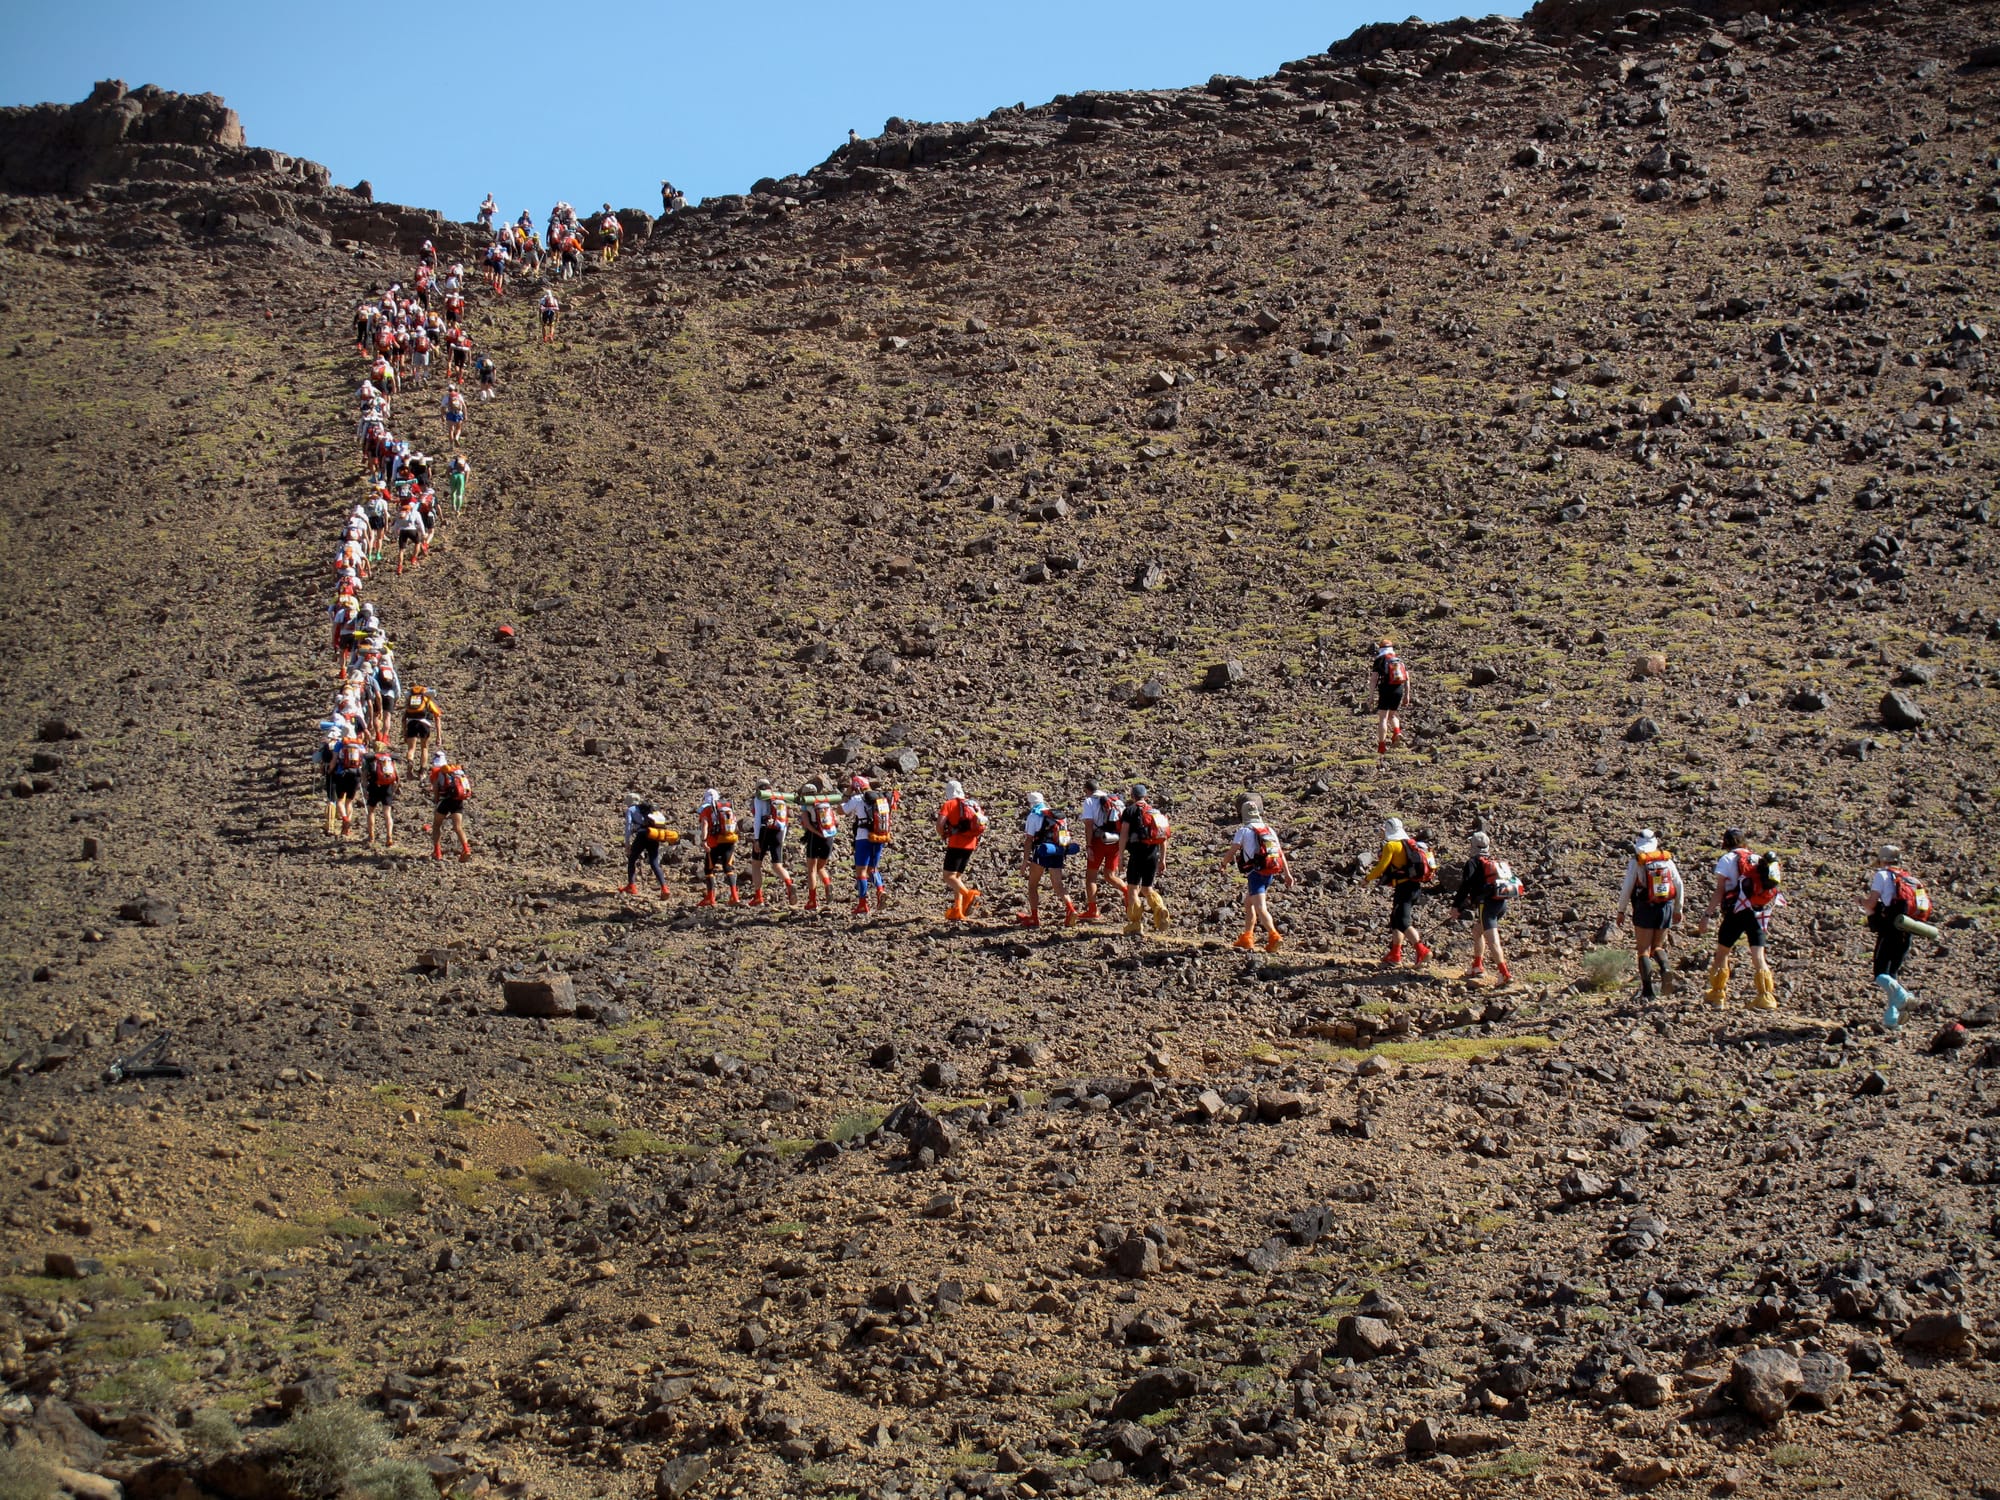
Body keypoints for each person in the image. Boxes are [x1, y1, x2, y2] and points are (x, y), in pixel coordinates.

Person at [1694, 827, 1782, 1010]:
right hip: (1758, 911)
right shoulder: (1757, 859)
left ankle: (1718, 995)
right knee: (1758, 955)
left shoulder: (1727, 859)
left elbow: (1720, 890)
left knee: (1722, 952)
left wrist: (1707, 914)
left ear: (1725, 843)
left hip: (1736, 911)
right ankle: (1766, 997)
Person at [1857, 844, 1931, 1029]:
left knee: (1880, 974)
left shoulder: (1882, 876)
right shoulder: (1909, 879)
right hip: (1907, 928)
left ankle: (1904, 997)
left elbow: (1871, 904)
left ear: (1882, 860)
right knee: (1892, 974)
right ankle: (1892, 1021)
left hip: (1889, 928)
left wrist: (1859, 901)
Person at [1615, 829, 1682, 1001]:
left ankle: (1648, 991)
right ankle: (1665, 968)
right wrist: (1677, 909)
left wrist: (1621, 910)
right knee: (1657, 947)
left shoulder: (1637, 862)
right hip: (1665, 907)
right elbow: (1679, 884)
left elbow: (1627, 888)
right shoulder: (1666, 860)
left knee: (1643, 950)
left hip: (1645, 907)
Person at [1223, 795, 1293, 951]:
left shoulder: (1244, 830)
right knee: (1249, 903)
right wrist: (1287, 874)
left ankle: (1274, 936)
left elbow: (1233, 850)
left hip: (1256, 873)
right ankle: (1247, 937)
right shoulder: (1269, 830)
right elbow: (1280, 853)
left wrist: (1223, 863)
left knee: (1260, 907)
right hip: (1270, 873)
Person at [1450, 830, 1518, 983]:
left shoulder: (1472, 863)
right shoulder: (1493, 862)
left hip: (1486, 906)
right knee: (1477, 930)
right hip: (1501, 904)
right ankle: (1477, 966)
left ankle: (1505, 974)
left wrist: (1456, 906)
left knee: (1493, 940)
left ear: (1473, 846)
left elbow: (1465, 886)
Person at [1364, 816, 1433, 966]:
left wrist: (1367, 879)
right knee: (1395, 920)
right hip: (1415, 886)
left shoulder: (1391, 846)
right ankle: (1395, 954)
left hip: (1404, 887)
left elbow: (1381, 866)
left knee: (1403, 921)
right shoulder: (1410, 843)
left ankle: (1422, 950)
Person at [1117, 783, 1173, 935]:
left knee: (1133, 889)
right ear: (1146, 797)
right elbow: (1163, 837)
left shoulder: (1129, 811)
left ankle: (1135, 924)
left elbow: (1123, 835)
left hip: (1137, 854)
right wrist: (1163, 859)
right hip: (1153, 854)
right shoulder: (1155, 812)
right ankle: (1160, 908)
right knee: (1147, 888)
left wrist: (1120, 856)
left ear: (1132, 796)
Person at [1018, 794, 1079, 928]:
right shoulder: (1057, 815)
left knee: (1032, 885)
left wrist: (1024, 862)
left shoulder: (1034, 816)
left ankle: (1034, 917)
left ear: (1030, 803)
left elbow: (1029, 840)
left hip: (1042, 852)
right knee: (1058, 885)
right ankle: (1071, 909)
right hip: (1057, 851)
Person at [841, 775, 893, 915]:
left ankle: (863, 904)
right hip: (880, 836)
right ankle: (880, 891)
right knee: (873, 869)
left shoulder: (858, 799)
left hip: (863, 838)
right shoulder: (881, 799)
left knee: (861, 872)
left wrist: (847, 793)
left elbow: (841, 811)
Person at [935, 779, 986, 920]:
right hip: (971, 844)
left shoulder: (949, 804)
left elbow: (940, 824)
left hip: (956, 843)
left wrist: (942, 834)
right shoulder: (972, 804)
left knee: (948, 876)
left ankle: (969, 895)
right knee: (957, 877)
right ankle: (958, 910)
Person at [1079, 777, 1128, 921]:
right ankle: (1128, 893)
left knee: (1091, 877)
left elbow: (1089, 824)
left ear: (1087, 790)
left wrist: (1088, 845)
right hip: (1115, 841)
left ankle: (1093, 911)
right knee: (1110, 875)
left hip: (1098, 841)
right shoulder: (1114, 800)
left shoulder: (1089, 801)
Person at [748, 779, 795, 906]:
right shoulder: (779, 799)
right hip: (779, 831)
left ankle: (758, 897)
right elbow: (784, 822)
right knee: (777, 865)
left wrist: (757, 839)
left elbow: (758, 819)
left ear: (758, 789)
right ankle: (789, 883)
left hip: (764, 831)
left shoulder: (759, 798)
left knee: (756, 864)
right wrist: (782, 839)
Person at [621, 793, 677, 897]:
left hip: (642, 836)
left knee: (632, 859)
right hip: (653, 835)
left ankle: (631, 886)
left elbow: (628, 826)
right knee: (654, 862)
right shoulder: (647, 809)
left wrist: (627, 843)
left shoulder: (631, 810)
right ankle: (664, 888)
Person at [797, 778, 838, 911]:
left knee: (812, 870)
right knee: (821, 867)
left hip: (816, 836)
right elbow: (835, 820)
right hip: (829, 836)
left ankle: (812, 901)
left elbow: (807, 824)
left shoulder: (806, 805)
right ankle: (827, 885)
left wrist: (817, 833)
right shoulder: (826, 803)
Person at [697, 789, 740, 906]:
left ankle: (710, 898)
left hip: (713, 844)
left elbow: (705, 825)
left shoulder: (706, 810)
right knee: (728, 867)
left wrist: (704, 840)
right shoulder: (727, 808)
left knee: (709, 869)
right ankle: (735, 896)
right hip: (729, 841)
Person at [1369, 639, 1412, 755]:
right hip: (1399, 689)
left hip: (1385, 689)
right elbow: (1407, 678)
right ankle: (1397, 732)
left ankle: (1382, 746)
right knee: (1392, 714)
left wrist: (1371, 696)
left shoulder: (1379, 660)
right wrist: (1407, 695)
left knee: (1383, 717)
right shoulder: (1399, 660)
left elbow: (1374, 680)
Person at [429, 753, 472, 862]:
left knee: (436, 825)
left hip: (445, 801)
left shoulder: (437, 772)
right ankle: (466, 849)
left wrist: (436, 801)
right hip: (458, 800)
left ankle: (437, 852)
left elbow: (436, 789)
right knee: (458, 827)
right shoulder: (456, 771)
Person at [361, 737, 398, 848]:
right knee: (387, 813)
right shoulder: (389, 759)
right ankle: (389, 837)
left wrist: (364, 789)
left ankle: (371, 836)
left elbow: (364, 775)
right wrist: (393, 790)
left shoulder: (370, 759)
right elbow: (396, 776)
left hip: (373, 787)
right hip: (387, 788)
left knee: (371, 811)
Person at [402, 684, 442, 770]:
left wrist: (404, 733)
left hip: (411, 723)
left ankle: (410, 763)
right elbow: (437, 717)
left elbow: (403, 719)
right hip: (424, 724)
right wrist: (438, 736)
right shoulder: (427, 700)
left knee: (411, 748)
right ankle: (422, 771)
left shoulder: (410, 701)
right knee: (424, 747)